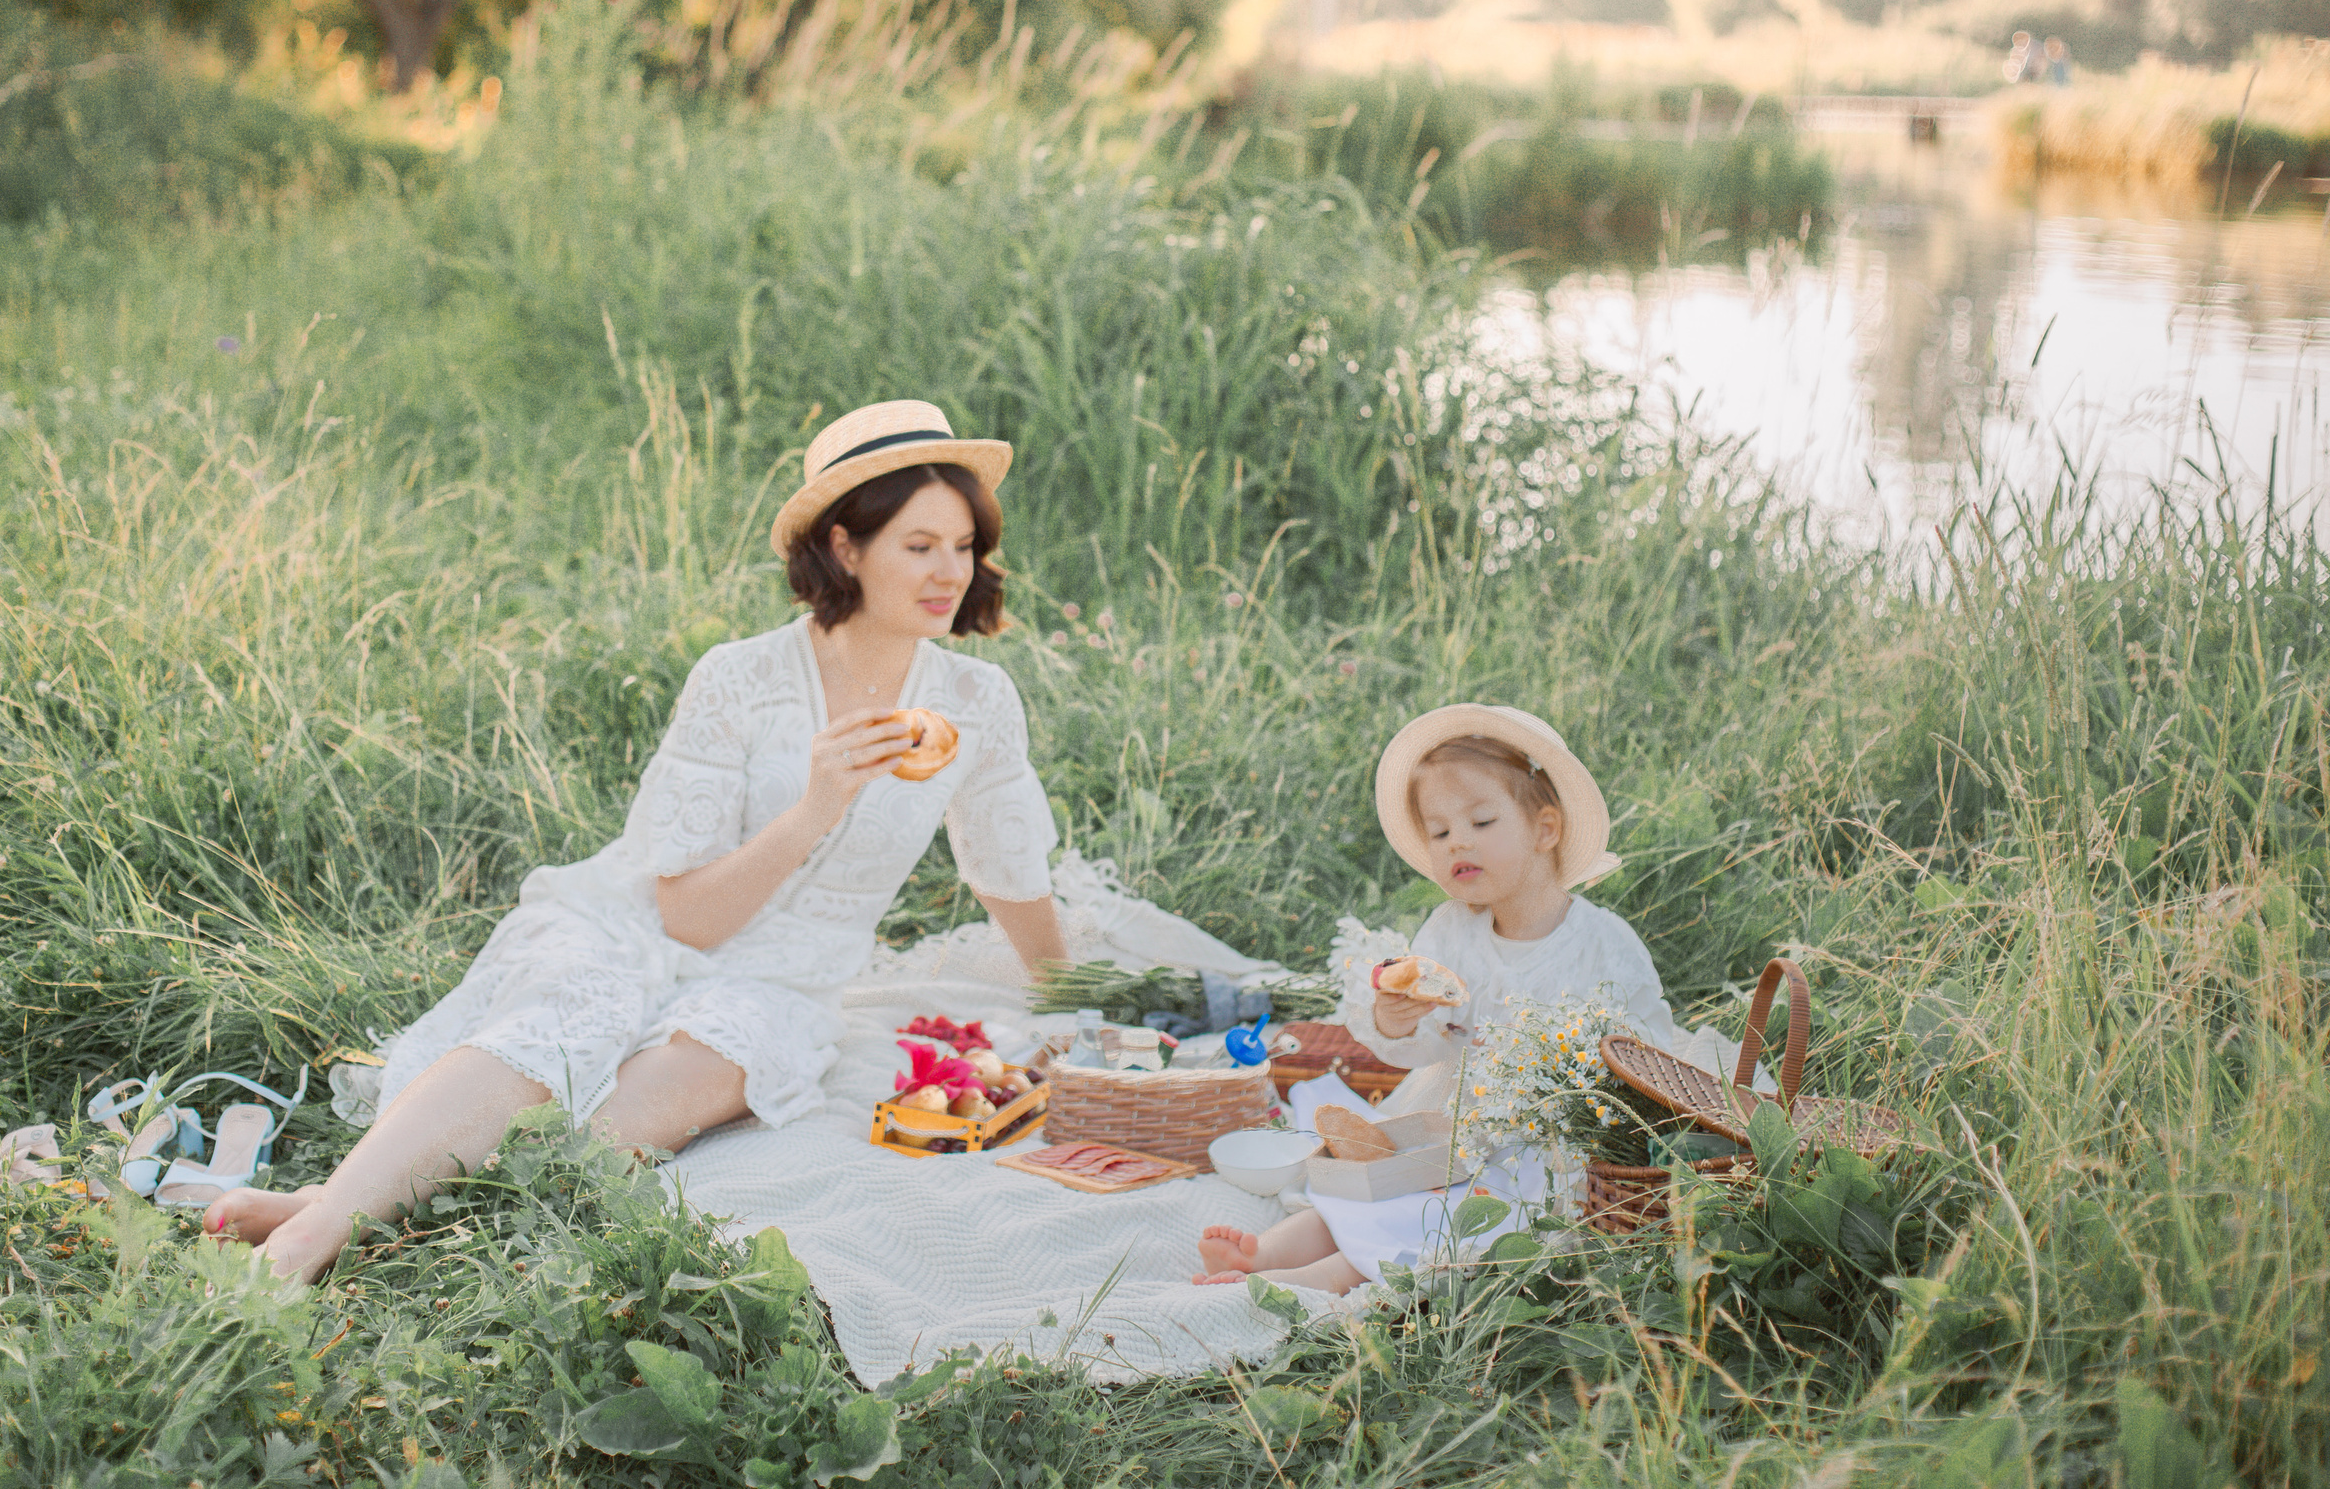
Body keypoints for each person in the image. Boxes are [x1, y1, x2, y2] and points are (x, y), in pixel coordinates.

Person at [207, 400, 1067, 1279]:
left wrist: (1070, 992)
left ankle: (339, 1203)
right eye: (919, 546)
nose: (949, 572)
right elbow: (687, 917)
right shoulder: (739, 680)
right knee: (550, 1034)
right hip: (641, 926)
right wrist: (815, 805)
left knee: (627, 1118)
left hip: (785, 982)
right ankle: (313, 1236)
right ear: (847, 546)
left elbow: (1006, 866)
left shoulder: (976, 702)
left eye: (963, 546)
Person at [1193, 705, 1675, 1292]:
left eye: (1480, 822)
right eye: (1440, 832)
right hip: (1456, 1124)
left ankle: (1303, 1284)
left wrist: (1589, 1082)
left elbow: (1647, 1050)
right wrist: (1396, 1022)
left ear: (1545, 830)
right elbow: (1422, 1049)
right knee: (1376, 1189)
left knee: (1436, 1227)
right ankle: (1265, 1253)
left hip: (1549, 1151)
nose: (1456, 843)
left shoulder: (1603, 946)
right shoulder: (1451, 932)